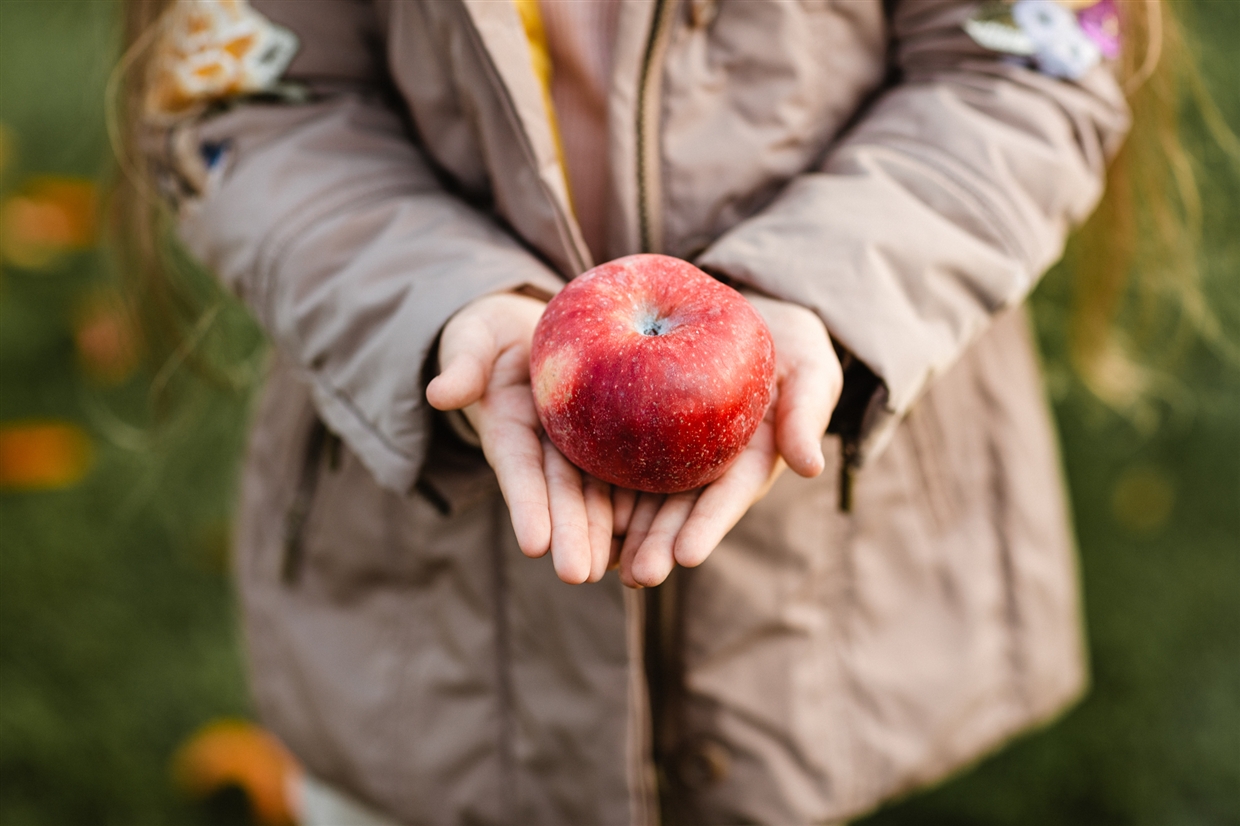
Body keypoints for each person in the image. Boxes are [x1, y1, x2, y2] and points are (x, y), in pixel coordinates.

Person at [118, 0, 1155, 822]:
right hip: (424, 601)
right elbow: (248, 96)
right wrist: (436, 304)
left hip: (816, 577)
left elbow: (1029, 65)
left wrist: (819, 295)